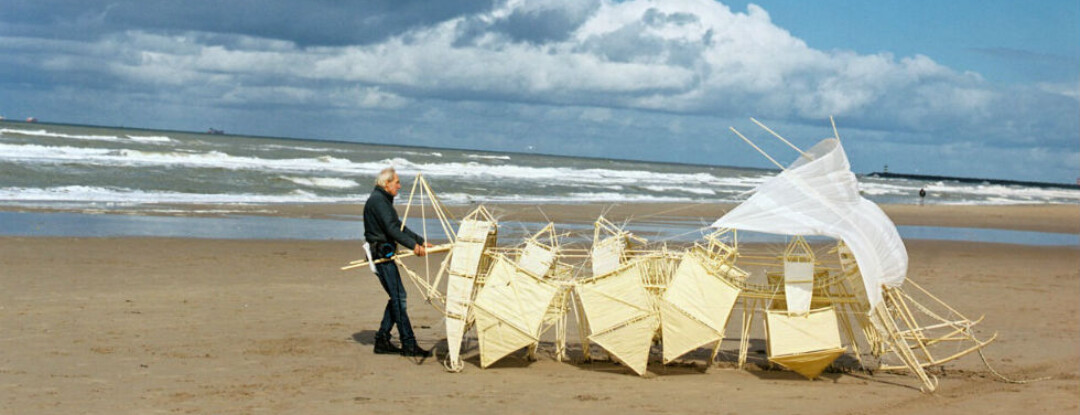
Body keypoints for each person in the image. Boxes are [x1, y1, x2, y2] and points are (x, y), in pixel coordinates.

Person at [364, 167, 433, 357]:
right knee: (399, 297)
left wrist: (420, 240)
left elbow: (398, 225)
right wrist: (413, 246)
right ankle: (408, 344)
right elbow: (392, 229)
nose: (399, 186)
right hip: (381, 254)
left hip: (384, 254)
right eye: (397, 182)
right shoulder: (378, 201)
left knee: (397, 296)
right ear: (387, 184)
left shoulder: (382, 200)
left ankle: (382, 340)